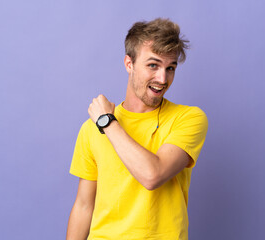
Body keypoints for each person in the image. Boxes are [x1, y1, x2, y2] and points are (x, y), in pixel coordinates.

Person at [66, 18, 208, 240]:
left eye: (170, 68)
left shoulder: (189, 118)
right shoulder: (91, 128)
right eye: (153, 65)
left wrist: (107, 122)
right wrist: (105, 122)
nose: (163, 79)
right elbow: (84, 205)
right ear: (129, 64)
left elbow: (153, 175)